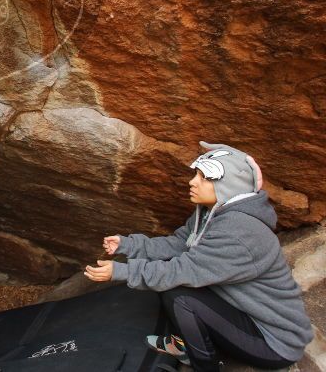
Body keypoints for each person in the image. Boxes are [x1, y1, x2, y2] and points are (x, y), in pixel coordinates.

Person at [84, 141, 313, 371]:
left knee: (178, 294)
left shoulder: (238, 232)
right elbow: (178, 244)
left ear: (228, 185)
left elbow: (181, 271)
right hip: (245, 312)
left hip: (273, 341)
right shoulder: (213, 213)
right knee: (172, 280)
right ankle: (188, 343)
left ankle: (205, 365)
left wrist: (121, 271)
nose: (192, 182)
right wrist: (129, 245)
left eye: (204, 178)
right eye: (196, 175)